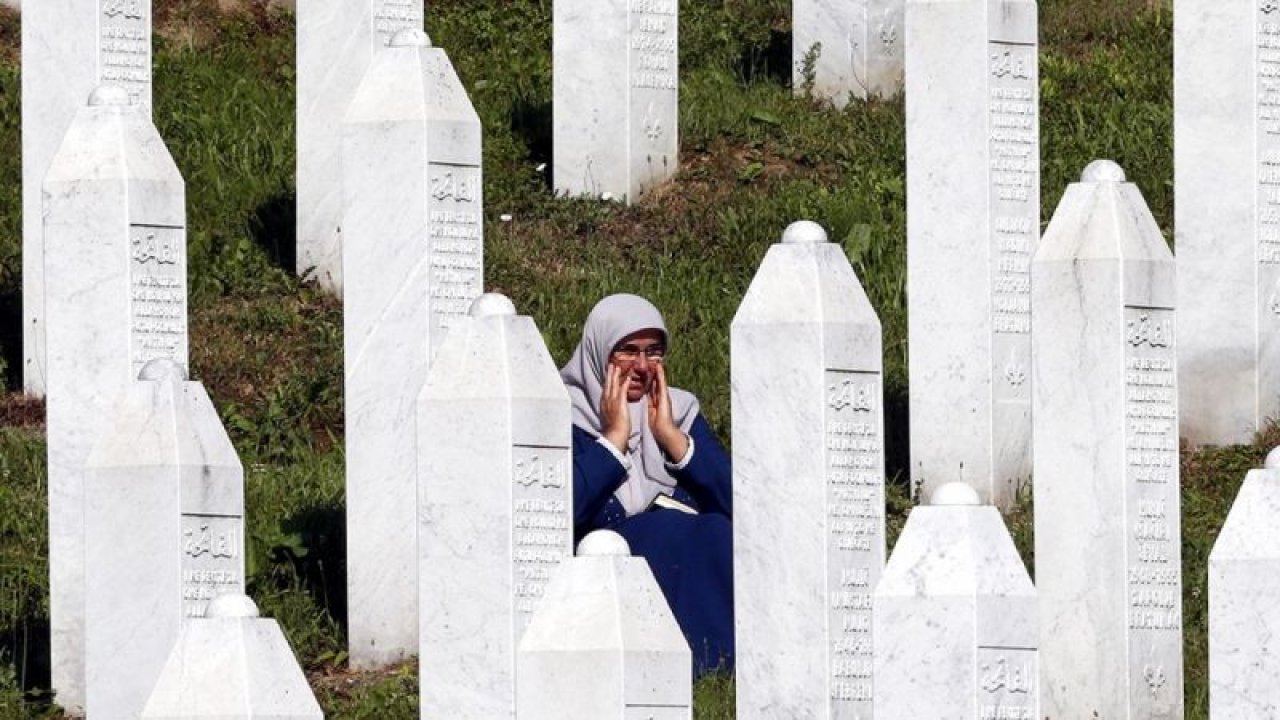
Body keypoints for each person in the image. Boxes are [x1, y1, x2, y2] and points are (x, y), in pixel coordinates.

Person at [560, 293, 734, 677]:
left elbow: (739, 502)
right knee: (668, 531)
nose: (641, 366)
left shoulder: (679, 409)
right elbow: (559, 511)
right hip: (608, 571)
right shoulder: (562, 416)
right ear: (599, 352)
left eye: (654, 352)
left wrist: (673, 438)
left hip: (690, 548)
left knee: (718, 531)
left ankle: (726, 669)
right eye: (627, 351)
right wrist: (613, 440)